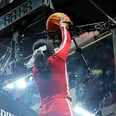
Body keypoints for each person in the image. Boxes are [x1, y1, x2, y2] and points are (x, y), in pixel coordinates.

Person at [31, 19, 74, 116]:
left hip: (44, 111)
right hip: (60, 106)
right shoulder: (58, 58)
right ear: (51, 50)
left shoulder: (34, 70)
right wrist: (63, 26)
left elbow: (38, 60)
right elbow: (66, 41)